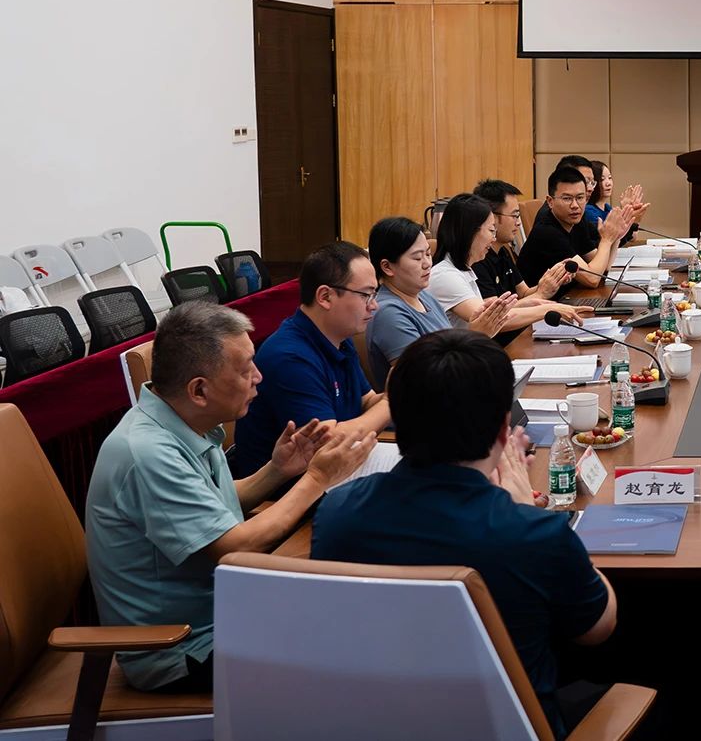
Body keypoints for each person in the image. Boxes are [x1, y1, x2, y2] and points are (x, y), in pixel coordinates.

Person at [312, 329, 617, 739]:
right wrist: (526, 510)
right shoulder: (531, 531)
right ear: (504, 428)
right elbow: (598, 627)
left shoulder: (337, 512)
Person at [85, 302, 373, 693]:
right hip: (185, 648)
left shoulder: (181, 420)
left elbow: (214, 503)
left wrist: (278, 470)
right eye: (245, 368)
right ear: (199, 390)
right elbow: (235, 546)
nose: (258, 377)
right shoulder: (147, 452)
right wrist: (318, 478)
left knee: (355, 605)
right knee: (357, 644)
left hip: (225, 611)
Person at [230, 242, 389, 477]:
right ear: (325, 296)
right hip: (290, 490)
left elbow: (366, 401)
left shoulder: (338, 338)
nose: (374, 305)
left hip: (333, 476)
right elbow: (328, 445)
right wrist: (391, 402)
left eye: (374, 294)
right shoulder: (289, 357)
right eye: (366, 295)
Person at [365, 216, 514, 389]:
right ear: (387, 267)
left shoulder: (425, 297)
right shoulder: (389, 313)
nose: (427, 264)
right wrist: (475, 336)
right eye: (417, 258)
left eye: (428, 254)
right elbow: (426, 379)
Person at [427, 194, 591, 342]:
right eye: (491, 230)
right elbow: (489, 320)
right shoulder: (446, 276)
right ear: (470, 232)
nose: (493, 238)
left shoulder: (463, 270)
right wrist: (548, 309)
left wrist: (531, 303)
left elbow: (495, 312)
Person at [471, 179, 575, 343]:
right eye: (514, 216)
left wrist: (550, 282)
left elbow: (524, 293)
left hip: (522, 334)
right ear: (492, 217)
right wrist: (542, 295)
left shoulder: (503, 251)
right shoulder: (478, 260)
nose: (518, 222)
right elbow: (495, 318)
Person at [518, 165, 635, 288]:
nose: (575, 205)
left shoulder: (576, 221)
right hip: (541, 298)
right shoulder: (547, 232)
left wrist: (616, 236)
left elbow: (603, 267)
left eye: (580, 198)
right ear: (550, 201)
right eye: (567, 198)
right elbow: (592, 279)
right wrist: (606, 240)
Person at [585, 161, 614, 225]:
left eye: (609, 178)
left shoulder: (607, 208)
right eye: (602, 179)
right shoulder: (588, 210)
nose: (608, 183)